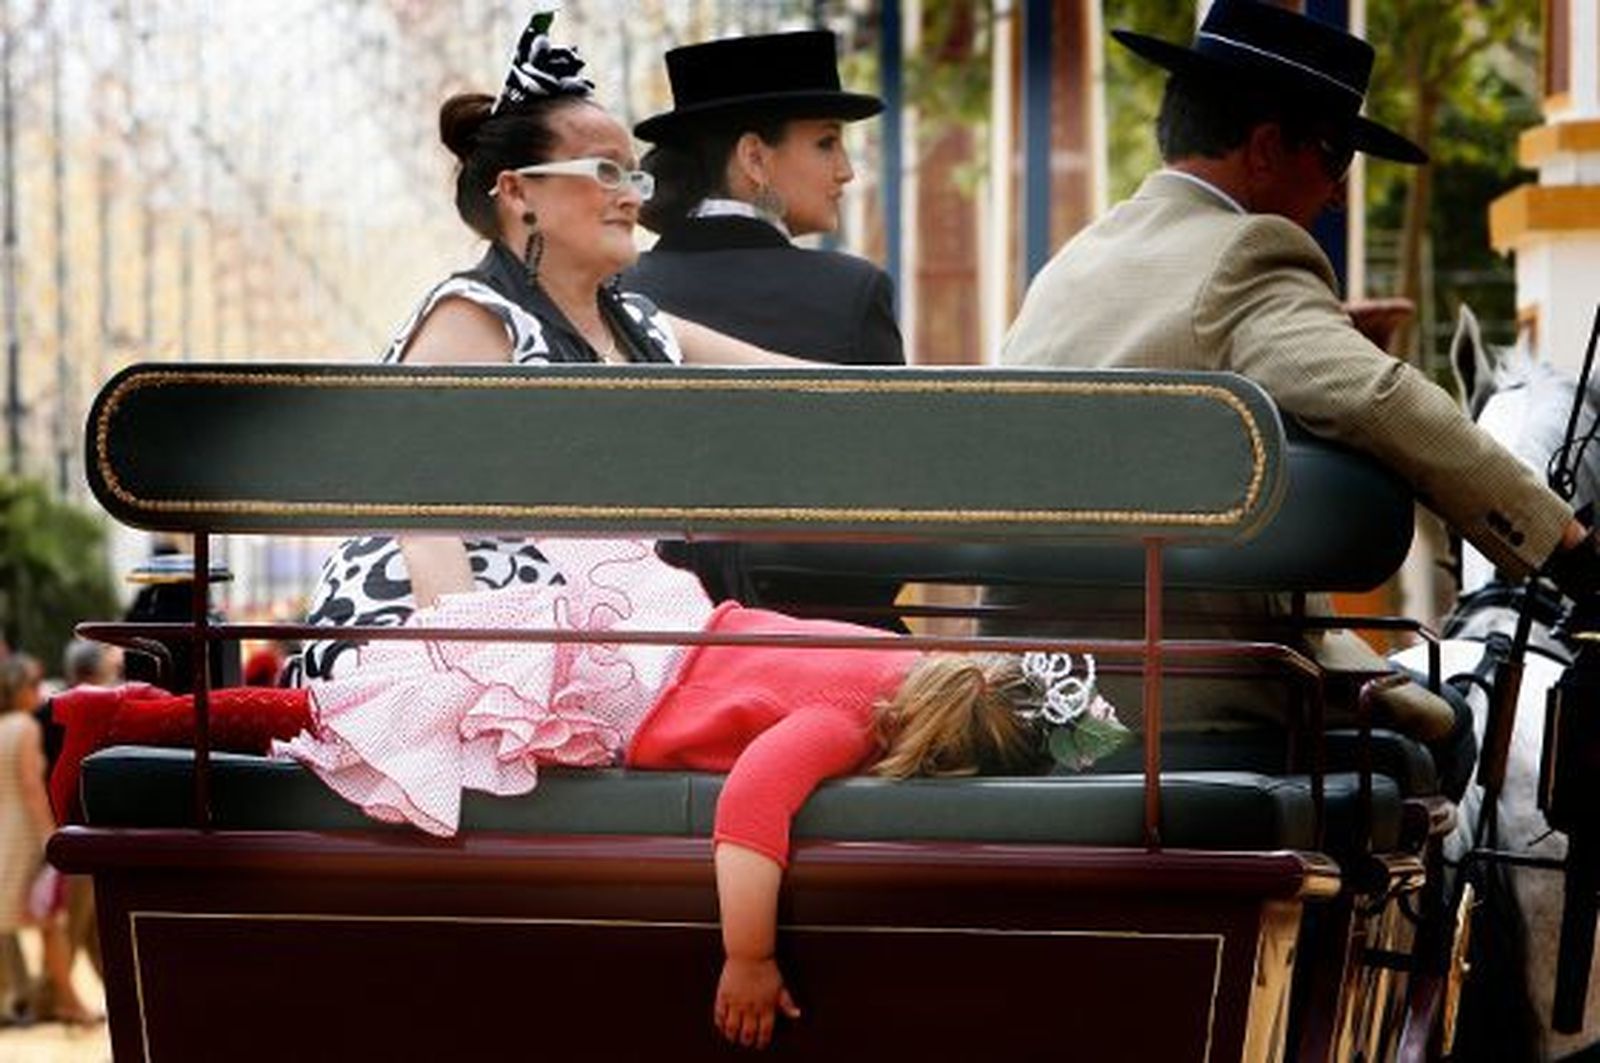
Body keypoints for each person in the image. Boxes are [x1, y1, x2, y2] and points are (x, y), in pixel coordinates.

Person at [995, 0, 1600, 797]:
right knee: (1452, 728)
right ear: (1265, 148)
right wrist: (1570, 549)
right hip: (1183, 693)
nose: (1340, 193)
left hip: (1038, 701)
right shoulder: (1252, 252)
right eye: (1334, 156)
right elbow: (1384, 402)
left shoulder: (1074, 262)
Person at [275, 538, 1115, 1049]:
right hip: (630, 688)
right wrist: (750, 956)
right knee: (410, 724)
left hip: (663, 629)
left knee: (398, 700)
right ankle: (256, 713)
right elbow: (750, 803)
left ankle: (249, 709)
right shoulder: (852, 720)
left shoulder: (902, 657)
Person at [298, 6, 803, 684]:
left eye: (634, 175)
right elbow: (420, 522)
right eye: (605, 172)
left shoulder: (645, 330)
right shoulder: (472, 317)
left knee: (797, 666)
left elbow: (817, 391)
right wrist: (480, 683)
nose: (631, 196)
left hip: (592, 646)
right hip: (443, 653)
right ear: (518, 193)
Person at [623, 30, 905, 624]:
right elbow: (895, 519)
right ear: (754, 158)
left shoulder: (617, 294)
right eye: (827, 143)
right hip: (825, 637)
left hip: (654, 636)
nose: (847, 171)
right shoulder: (851, 292)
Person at [0, 655, 93, 1026]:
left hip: (4, 831)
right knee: (48, 920)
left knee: (27, 921)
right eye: (32, 685)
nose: (38, 691)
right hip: (25, 831)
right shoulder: (25, 726)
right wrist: (49, 840)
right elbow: (31, 787)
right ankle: (68, 1001)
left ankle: (49, 998)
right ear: (17, 690)